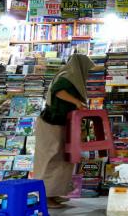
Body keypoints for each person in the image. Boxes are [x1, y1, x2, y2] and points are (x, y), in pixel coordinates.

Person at [34, 54, 95, 208]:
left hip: (60, 124)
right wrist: (76, 102)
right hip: (51, 124)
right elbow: (57, 91)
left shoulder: (71, 77)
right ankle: (46, 198)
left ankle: (54, 193)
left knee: (63, 158)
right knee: (51, 159)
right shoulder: (68, 76)